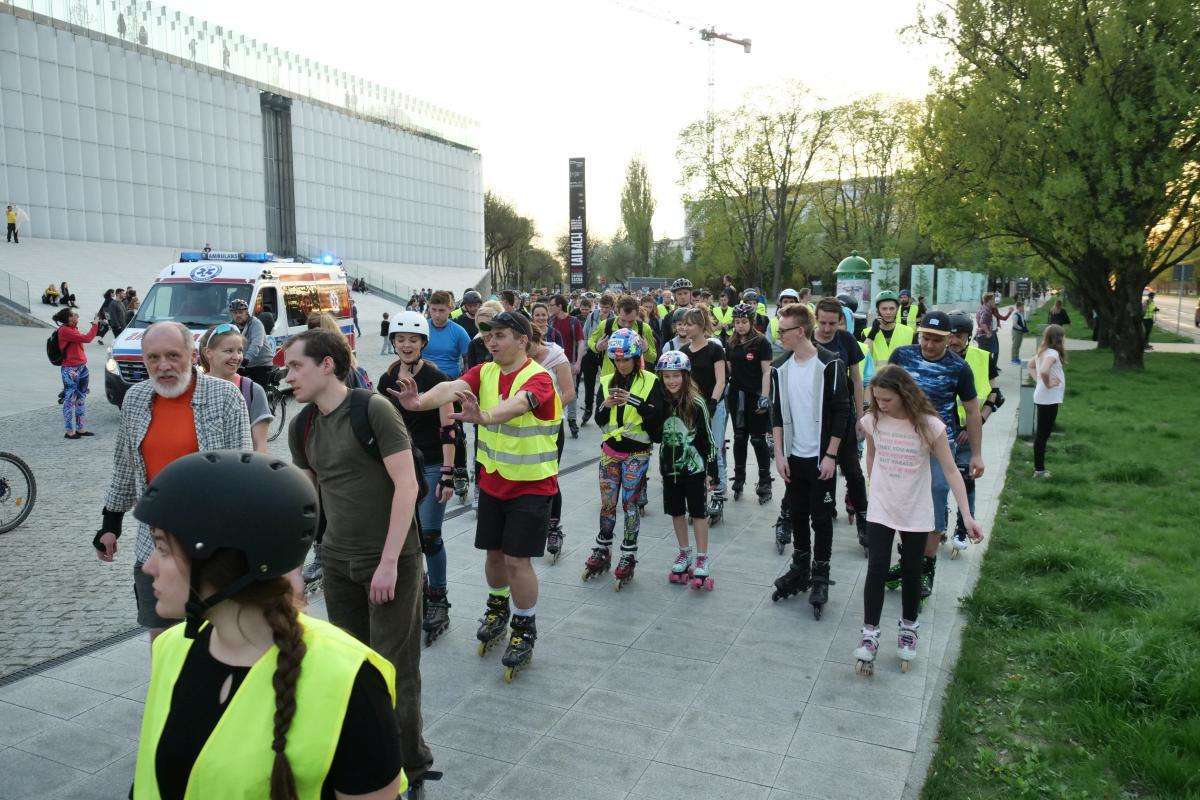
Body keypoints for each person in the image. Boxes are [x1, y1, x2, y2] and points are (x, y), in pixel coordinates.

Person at [130, 450, 408, 800]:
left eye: (163, 548)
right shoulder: (172, 648)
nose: (148, 566)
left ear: (220, 564)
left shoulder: (350, 680)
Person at [283, 329, 436, 789]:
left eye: (296, 366)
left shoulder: (373, 409)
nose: (288, 376)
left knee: (393, 669)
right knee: (351, 669)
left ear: (327, 364)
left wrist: (389, 563)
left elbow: (407, 486)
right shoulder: (302, 426)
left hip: (391, 560)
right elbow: (309, 501)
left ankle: (409, 765)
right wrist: (294, 567)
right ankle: (365, 764)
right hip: (336, 561)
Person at [389, 311, 561, 682]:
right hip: (495, 482)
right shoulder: (484, 372)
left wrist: (483, 416)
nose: (491, 342)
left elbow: (517, 406)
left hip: (531, 484)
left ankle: (525, 626)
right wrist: (419, 402)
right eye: (488, 337)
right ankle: (498, 606)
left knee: (518, 561)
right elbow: (449, 389)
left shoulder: (540, 378)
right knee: (494, 554)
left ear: (521, 339)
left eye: (499, 335)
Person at [97, 322, 252, 640]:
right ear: (144, 361)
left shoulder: (225, 397)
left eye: (173, 355)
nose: (163, 366)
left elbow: (244, 475)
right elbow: (125, 467)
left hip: (211, 547)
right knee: (164, 640)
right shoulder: (136, 400)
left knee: (217, 640)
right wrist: (110, 523)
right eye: (153, 358)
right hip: (154, 546)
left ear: (193, 355)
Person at [854, 366, 984, 675]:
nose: (880, 405)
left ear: (903, 394)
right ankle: (870, 634)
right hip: (883, 506)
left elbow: (952, 471)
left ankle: (908, 629)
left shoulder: (930, 426)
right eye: (877, 399)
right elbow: (871, 455)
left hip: (916, 507)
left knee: (913, 571)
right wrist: (875, 484)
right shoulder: (873, 421)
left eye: (886, 400)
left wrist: (967, 516)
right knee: (876, 568)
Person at [885, 311, 985, 598]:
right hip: (902, 442)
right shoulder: (902, 356)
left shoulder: (959, 368)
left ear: (950, 338)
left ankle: (925, 568)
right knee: (902, 502)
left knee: (936, 496)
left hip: (941, 443)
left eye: (937, 340)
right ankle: (906, 562)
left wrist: (976, 454)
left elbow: (973, 410)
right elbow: (883, 393)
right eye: (926, 337)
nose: (929, 345)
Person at [377, 311, 458, 647]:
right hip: (399, 466)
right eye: (400, 339)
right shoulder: (387, 378)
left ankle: (438, 598)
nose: (406, 345)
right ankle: (417, 591)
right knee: (405, 536)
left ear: (424, 342)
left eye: (412, 340)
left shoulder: (438, 379)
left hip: (431, 463)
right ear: (393, 342)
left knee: (429, 536)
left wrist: (449, 474)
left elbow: (449, 429)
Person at [769, 304, 851, 619]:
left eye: (783, 331)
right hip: (793, 457)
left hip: (821, 460)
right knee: (798, 513)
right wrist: (778, 453)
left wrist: (831, 455)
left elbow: (842, 411)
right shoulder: (780, 368)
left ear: (800, 331)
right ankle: (800, 565)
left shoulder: (829, 365)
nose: (779, 336)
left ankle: (820, 573)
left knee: (821, 517)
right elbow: (776, 413)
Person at [585, 329, 663, 588]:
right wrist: (605, 406)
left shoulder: (651, 380)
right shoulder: (606, 381)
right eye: (617, 360)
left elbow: (657, 420)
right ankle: (603, 548)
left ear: (636, 357)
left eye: (626, 359)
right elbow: (598, 420)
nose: (621, 364)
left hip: (637, 452)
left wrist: (634, 401)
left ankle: (628, 553)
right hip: (610, 451)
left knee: (630, 504)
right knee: (607, 504)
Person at [655, 350, 719, 590]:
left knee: (699, 513)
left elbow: (708, 438)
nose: (671, 381)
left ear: (685, 376)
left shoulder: (696, 403)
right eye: (667, 376)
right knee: (676, 512)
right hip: (668, 469)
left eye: (676, 376)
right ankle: (684, 553)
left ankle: (702, 557)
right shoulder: (661, 401)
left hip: (694, 470)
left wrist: (712, 470)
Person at [813, 297, 870, 550]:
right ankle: (818, 510)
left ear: (840, 322)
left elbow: (857, 380)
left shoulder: (846, 341)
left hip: (843, 413)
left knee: (853, 472)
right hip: (815, 417)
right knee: (817, 470)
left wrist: (860, 417)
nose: (827, 329)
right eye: (823, 323)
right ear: (816, 319)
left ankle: (864, 519)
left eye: (832, 324)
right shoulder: (808, 340)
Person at [945, 311, 1001, 557]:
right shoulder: (936, 356)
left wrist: (973, 426)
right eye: (950, 335)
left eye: (959, 336)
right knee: (935, 480)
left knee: (966, 477)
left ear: (968, 337)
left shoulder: (982, 358)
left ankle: (962, 527)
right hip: (938, 430)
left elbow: (996, 396)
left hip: (967, 433)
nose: (953, 340)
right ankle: (936, 522)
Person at [673, 307, 728, 523]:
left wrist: (712, 403)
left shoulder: (715, 349)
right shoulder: (684, 352)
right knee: (693, 452)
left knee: (714, 450)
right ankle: (697, 498)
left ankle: (717, 494)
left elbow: (721, 379)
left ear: (702, 326)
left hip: (713, 407)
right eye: (683, 323)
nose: (685, 327)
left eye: (689, 324)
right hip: (691, 409)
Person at [529, 317, 576, 561]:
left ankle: (554, 527)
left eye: (529, 346)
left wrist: (547, 411)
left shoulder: (556, 356)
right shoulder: (515, 358)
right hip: (522, 428)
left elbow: (569, 392)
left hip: (550, 426)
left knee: (549, 476)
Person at [724, 304, 773, 505]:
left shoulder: (761, 342)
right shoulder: (731, 342)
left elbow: (766, 371)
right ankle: (739, 476)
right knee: (739, 437)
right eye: (737, 322)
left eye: (744, 322)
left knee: (758, 439)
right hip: (737, 395)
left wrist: (765, 396)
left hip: (755, 395)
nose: (740, 326)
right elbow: (729, 368)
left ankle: (764, 481)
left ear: (751, 322)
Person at [199, 324, 274, 453]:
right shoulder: (196, 388)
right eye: (229, 351)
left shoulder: (252, 391)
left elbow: (260, 448)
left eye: (239, 351)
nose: (237, 357)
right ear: (208, 353)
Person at [53, 307, 100, 438]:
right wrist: (95, 324)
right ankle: (69, 431)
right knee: (69, 400)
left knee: (81, 398)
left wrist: (95, 325)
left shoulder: (73, 329)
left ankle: (81, 428)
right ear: (67, 318)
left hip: (82, 367)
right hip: (70, 369)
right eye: (74, 315)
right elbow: (88, 338)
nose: (77, 316)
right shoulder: (65, 330)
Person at [589, 295, 658, 379]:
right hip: (609, 377)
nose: (626, 325)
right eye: (623, 320)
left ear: (637, 313)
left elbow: (653, 358)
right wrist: (596, 347)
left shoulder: (644, 328)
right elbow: (591, 340)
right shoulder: (606, 325)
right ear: (617, 312)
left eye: (631, 321)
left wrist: (646, 350)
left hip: (635, 378)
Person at [1031, 324, 1067, 478]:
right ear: (1059, 338)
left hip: (1045, 397)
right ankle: (1039, 470)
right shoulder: (1052, 353)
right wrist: (1047, 383)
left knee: (1042, 434)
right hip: (1048, 399)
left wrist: (1039, 381)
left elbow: (1031, 366)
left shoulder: (1044, 352)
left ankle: (1039, 469)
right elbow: (1044, 370)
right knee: (1042, 435)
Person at [865, 291, 916, 376]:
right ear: (878, 310)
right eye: (884, 309)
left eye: (892, 308)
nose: (888, 312)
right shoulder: (867, 332)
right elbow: (864, 357)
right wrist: (872, 334)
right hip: (877, 382)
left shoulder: (909, 332)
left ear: (897, 310)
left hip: (901, 381)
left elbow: (915, 360)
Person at [230, 299, 275, 390]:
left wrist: (246, 359)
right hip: (243, 363)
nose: (238, 315)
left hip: (261, 363)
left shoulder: (256, 324)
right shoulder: (232, 326)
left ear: (246, 312)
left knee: (257, 391)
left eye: (240, 312)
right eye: (235, 313)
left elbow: (256, 344)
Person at [975, 293, 1012, 360]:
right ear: (989, 301)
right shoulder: (986, 310)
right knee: (986, 355)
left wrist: (1009, 312)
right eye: (993, 300)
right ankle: (989, 369)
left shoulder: (990, 309)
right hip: (985, 335)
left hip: (989, 333)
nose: (995, 302)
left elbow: (1002, 318)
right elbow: (982, 323)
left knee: (992, 352)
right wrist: (988, 332)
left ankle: (992, 368)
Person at [1010, 299, 1031, 365]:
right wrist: (1022, 328)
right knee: (1015, 345)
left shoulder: (1021, 314)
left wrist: (1025, 328)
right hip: (1016, 332)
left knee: (1018, 345)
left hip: (1020, 332)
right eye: (1022, 307)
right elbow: (1015, 324)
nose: (1023, 308)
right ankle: (1013, 359)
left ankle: (1017, 357)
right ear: (1019, 307)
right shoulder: (1016, 315)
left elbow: (1023, 322)